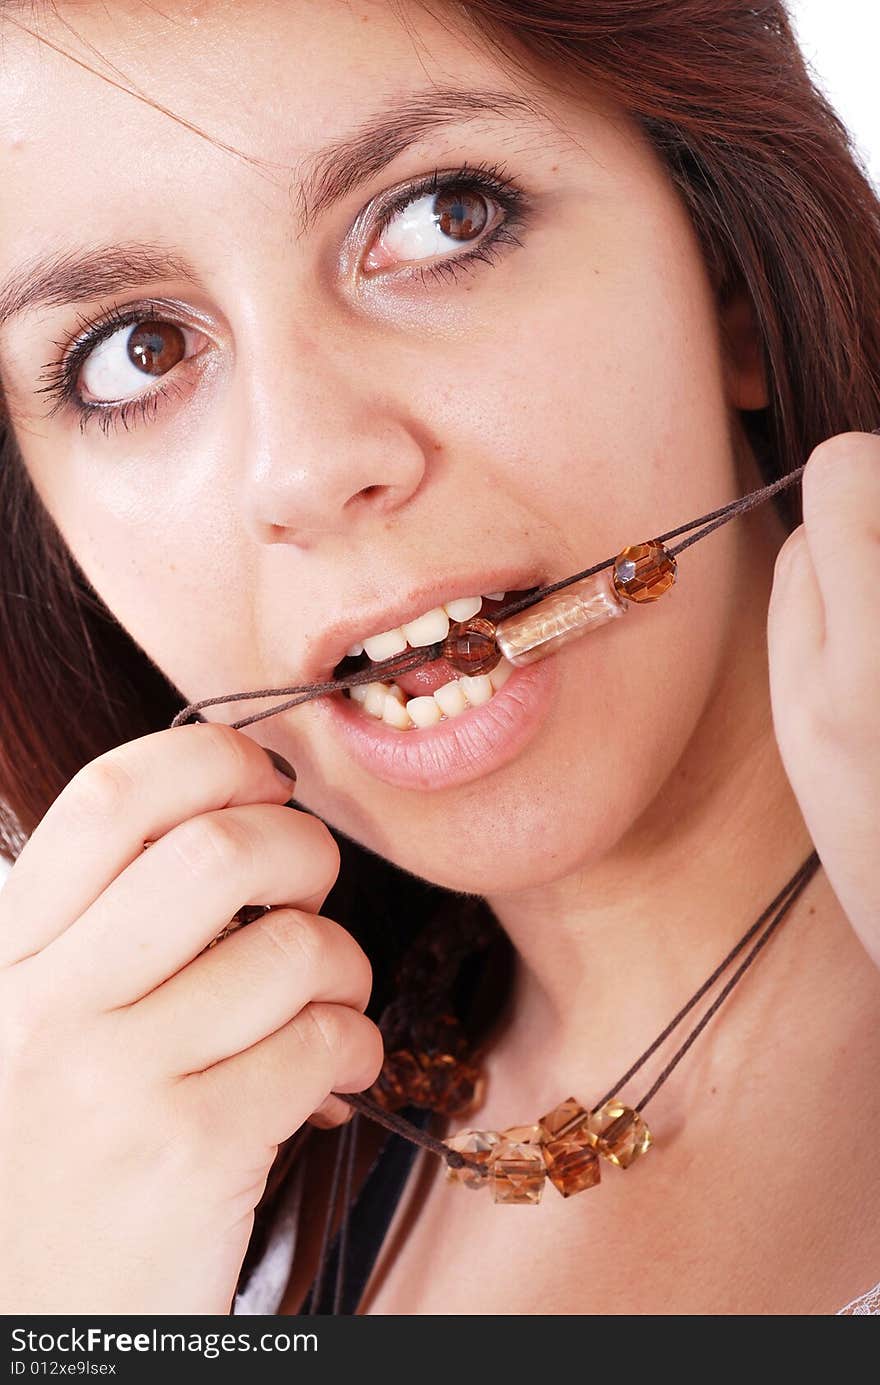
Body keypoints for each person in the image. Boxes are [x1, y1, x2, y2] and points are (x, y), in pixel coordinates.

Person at [0, 0, 878, 1317]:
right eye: (139, 351)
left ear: (731, 282)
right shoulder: (165, 1207)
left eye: (442, 216)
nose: (305, 464)